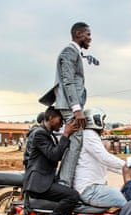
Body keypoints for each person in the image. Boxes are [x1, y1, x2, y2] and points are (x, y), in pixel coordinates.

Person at [39, 22, 94, 187]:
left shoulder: (75, 53)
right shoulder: (68, 52)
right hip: (71, 105)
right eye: (88, 35)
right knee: (76, 139)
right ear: (78, 34)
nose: (90, 39)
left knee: (74, 141)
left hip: (71, 104)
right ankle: (64, 184)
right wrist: (77, 109)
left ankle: (65, 179)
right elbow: (68, 81)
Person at [73, 107, 127, 215]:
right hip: (90, 189)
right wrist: (127, 165)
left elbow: (104, 162)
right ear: (95, 120)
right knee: (127, 202)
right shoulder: (89, 135)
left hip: (92, 187)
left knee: (122, 196)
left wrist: (130, 172)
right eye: (102, 121)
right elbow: (105, 158)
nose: (104, 124)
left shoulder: (91, 136)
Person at [24, 106, 80, 215]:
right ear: (50, 118)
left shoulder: (49, 134)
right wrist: (66, 135)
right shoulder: (39, 134)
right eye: (60, 120)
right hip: (39, 184)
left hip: (45, 180)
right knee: (72, 196)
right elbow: (54, 155)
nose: (62, 124)